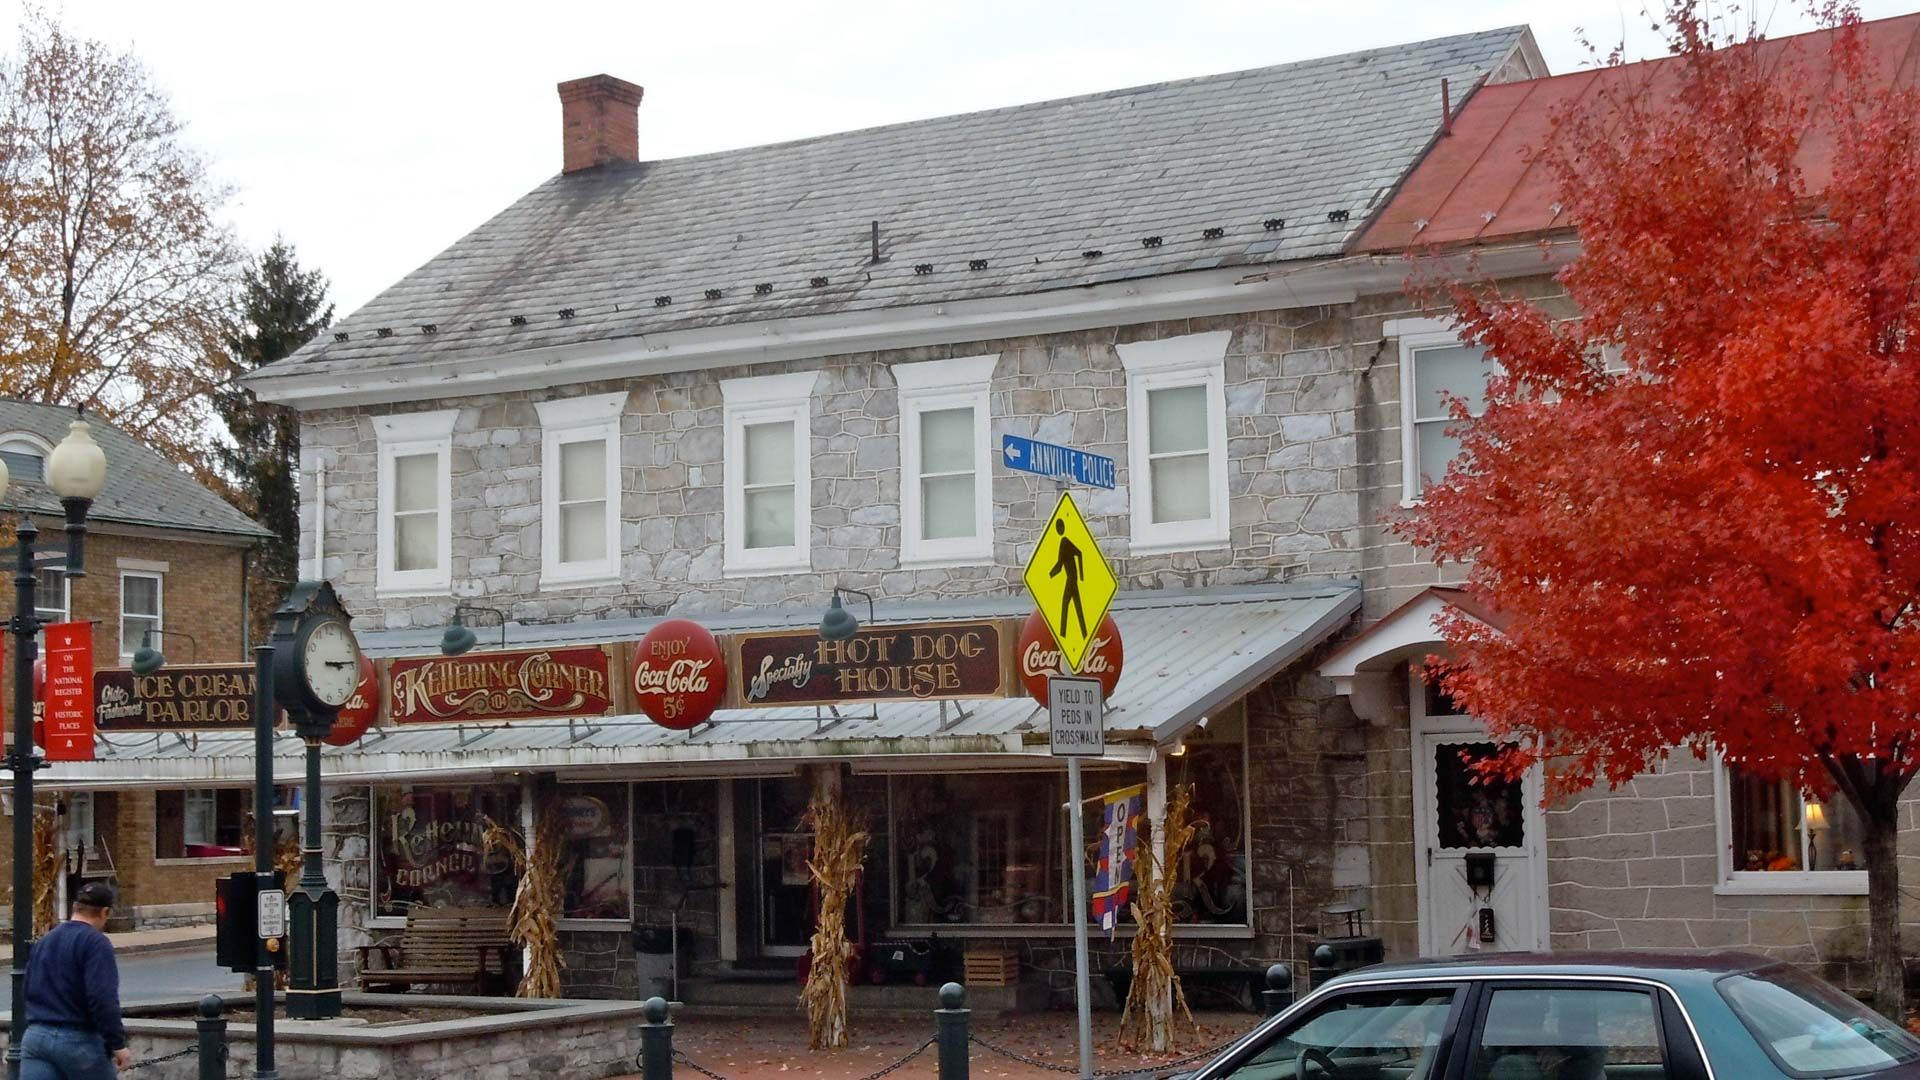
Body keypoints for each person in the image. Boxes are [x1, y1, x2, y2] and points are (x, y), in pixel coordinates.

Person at [21, 881, 128, 1078]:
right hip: (79, 1040)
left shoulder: (45, 941)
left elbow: (27, 987)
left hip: (36, 1037)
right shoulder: (96, 943)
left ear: (74, 908)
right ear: (104, 912)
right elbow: (101, 997)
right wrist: (117, 1043)